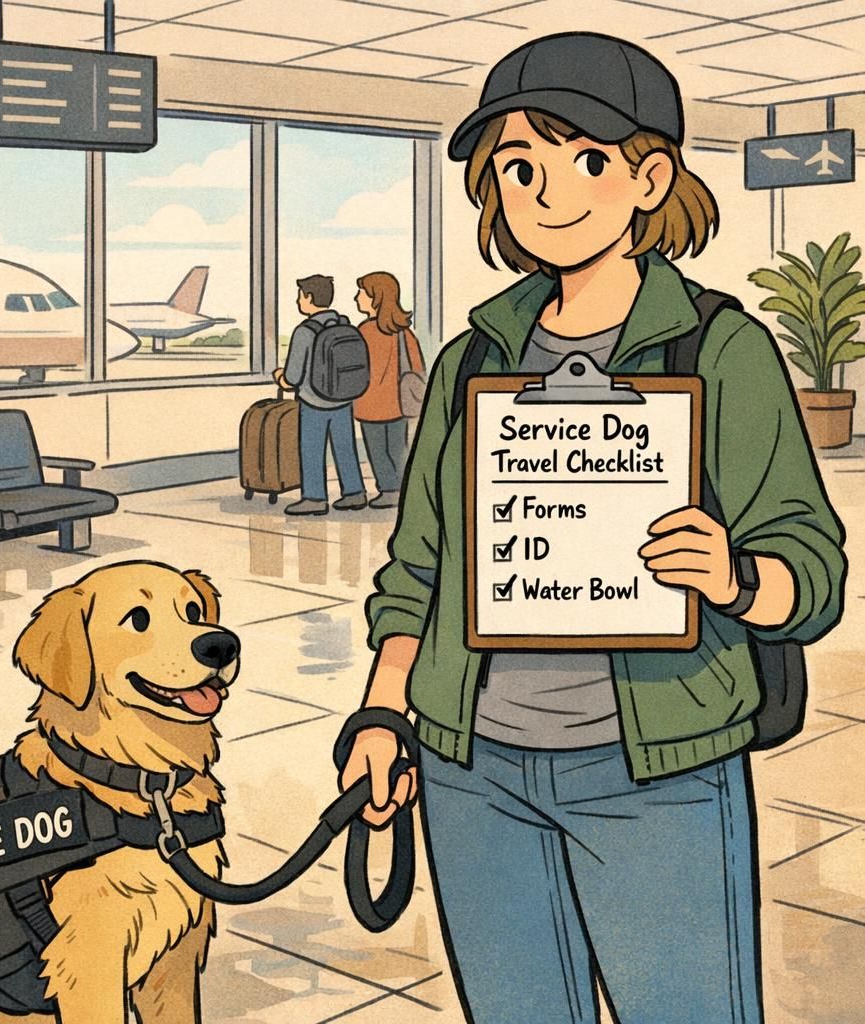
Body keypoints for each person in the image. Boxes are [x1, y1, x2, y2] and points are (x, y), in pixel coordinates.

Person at [338, 32, 846, 1024]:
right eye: (518, 168)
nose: (546, 193)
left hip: (655, 767)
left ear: (650, 177)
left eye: (584, 160)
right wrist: (383, 712)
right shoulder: (474, 356)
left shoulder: (718, 347)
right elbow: (418, 566)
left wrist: (736, 576)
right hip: (471, 768)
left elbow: (811, 568)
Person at [274, 275, 366, 516]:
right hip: (343, 398)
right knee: (345, 447)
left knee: (312, 449)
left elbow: (292, 377)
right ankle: (355, 492)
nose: (298, 301)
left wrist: (279, 377)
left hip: (314, 401)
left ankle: (315, 498)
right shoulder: (343, 323)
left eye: (300, 296)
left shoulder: (305, 331)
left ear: (309, 297)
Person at [352, 272, 425, 509]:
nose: (357, 298)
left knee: (378, 452)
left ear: (376, 298)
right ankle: (401, 490)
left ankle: (388, 490)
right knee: (398, 449)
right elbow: (418, 368)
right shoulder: (403, 332)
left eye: (362, 293)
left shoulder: (363, 331)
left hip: (369, 403)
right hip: (398, 404)